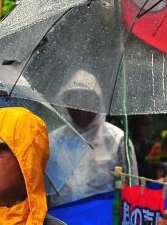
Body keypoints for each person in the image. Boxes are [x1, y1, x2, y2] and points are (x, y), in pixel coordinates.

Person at [47, 69, 136, 207]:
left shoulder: (117, 140)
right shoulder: (54, 140)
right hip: (61, 218)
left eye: (86, 101)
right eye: (74, 102)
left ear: (97, 103)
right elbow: (44, 190)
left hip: (104, 218)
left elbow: (132, 189)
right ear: (66, 104)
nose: (81, 109)